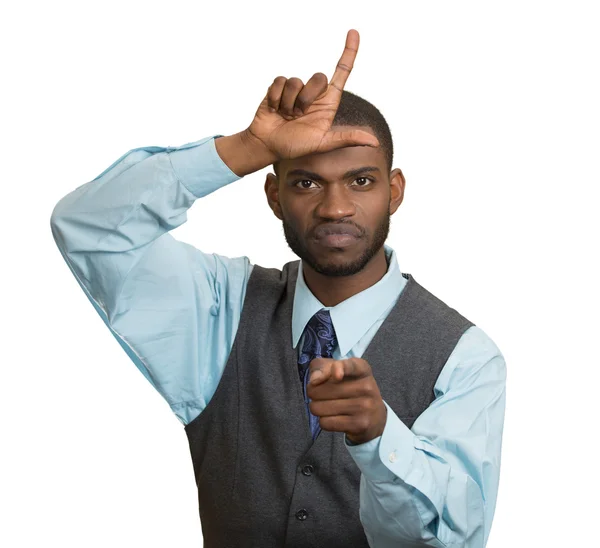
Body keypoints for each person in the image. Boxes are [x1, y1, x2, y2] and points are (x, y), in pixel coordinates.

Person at [50, 29, 506, 548]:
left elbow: (453, 542)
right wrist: (246, 149)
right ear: (273, 194)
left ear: (394, 190)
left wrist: (382, 438)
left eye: (360, 181)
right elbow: (88, 228)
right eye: (307, 182)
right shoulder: (219, 308)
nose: (335, 208)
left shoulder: (465, 358)